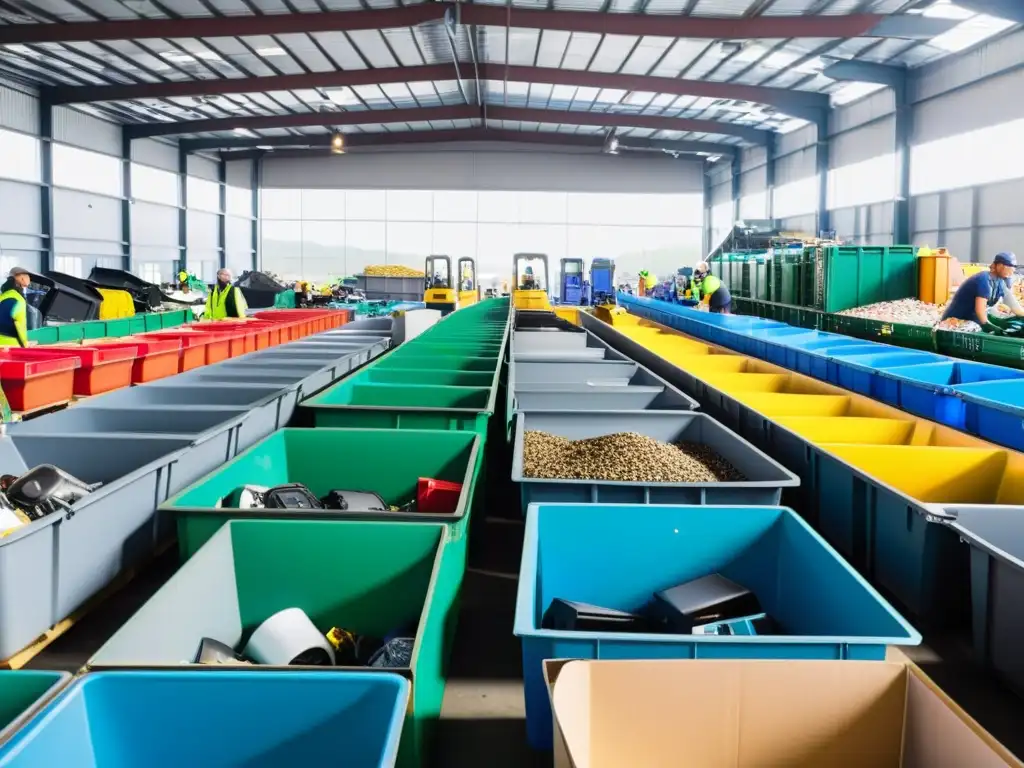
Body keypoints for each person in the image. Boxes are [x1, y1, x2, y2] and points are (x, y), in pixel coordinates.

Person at [941, 252, 1024, 332]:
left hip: (975, 320)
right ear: (999, 265)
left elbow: (1015, 307)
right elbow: (980, 311)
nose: (1013, 270)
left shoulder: (1000, 283)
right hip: (956, 322)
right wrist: (993, 329)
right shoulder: (983, 280)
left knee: (1014, 322)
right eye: (1010, 266)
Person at [0, 267, 31, 348]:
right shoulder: (19, 300)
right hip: (10, 346)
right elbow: (20, 326)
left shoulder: (2, 297)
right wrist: (25, 344)